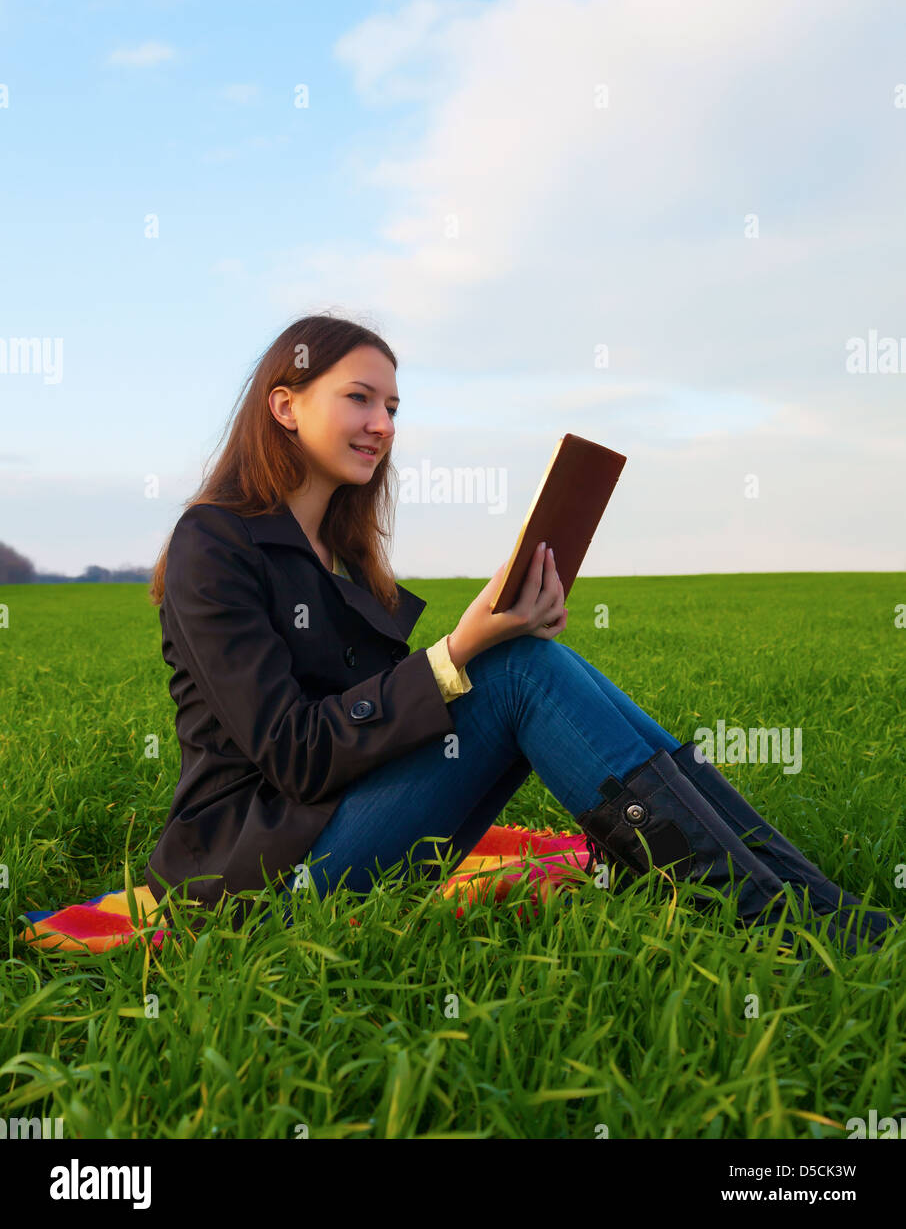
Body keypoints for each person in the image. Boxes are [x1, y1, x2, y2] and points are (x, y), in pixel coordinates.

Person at [145, 314, 898, 954]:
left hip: (330, 835)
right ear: (285, 406)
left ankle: (802, 898)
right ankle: (764, 919)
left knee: (525, 658)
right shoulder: (213, 544)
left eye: (394, 407)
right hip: (254, 884)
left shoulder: (339, 558)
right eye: (359, 398)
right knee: (516, 671)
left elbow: (373, 730)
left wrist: (483, 642)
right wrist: (461, 651)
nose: (383, 424)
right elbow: (299, 754)